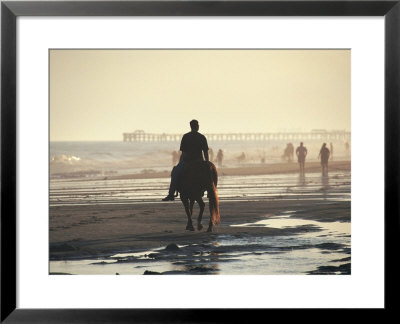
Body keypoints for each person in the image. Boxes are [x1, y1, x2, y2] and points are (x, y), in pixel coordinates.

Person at [162, 120, 209, 201]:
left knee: (175, 172)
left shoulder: (186, 137)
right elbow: (205, 152)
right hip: (199, 161)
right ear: (197, 126)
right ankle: (211, 192)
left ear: (191, 126)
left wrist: (180, 163)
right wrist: (207, 163)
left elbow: (183, 153)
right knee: (209, 175)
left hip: (187, 161)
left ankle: (171, 194)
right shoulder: (202, 137)